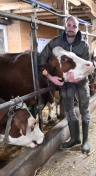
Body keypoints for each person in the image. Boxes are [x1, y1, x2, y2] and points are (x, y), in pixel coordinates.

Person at [39, 16, 91, 153]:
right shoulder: (55, 42)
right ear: (65, 26)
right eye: (69, 25)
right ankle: (75, 138)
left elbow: (88, 67)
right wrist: (51, 78)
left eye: (74, 26)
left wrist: (78, 78)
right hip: (65, 83)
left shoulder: (84, 45)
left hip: (81, 82)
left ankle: (85, 141)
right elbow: (41, 61)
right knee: (68, 110)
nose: (71, 28)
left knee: (84, 109)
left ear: (78, 28)